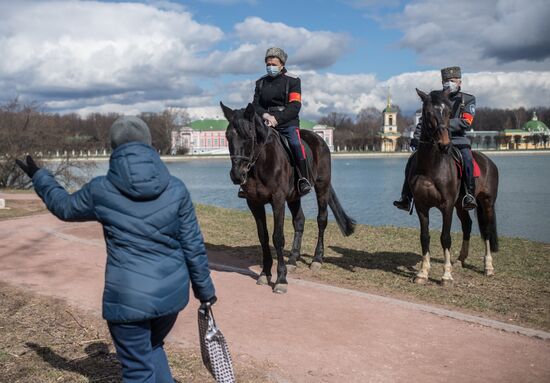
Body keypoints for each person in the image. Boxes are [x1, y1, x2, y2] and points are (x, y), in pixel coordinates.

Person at [16, 116, 217, 383]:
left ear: (114, 147)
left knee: (137, 370)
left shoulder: (102, 189)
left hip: (128, 299)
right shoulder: (176, 189)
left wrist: (40, 177)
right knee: (153, 347)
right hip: (170, 296)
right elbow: (193, 245)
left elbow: (63, 207)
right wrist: (205, 292)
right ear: (149, 144)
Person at [393, 66, 478, 211]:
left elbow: (466, 122)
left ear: (459, 82)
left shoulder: (468, 99)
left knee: (467, 159)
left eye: (452, 80)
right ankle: (406, 197)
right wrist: (417, 138)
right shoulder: (434, 98)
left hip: (457, 139)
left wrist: (441, 125)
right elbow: (425, 120)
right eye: (446, 80)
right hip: (435, 140)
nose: (448, 83)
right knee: (412, 160)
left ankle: (469, 195)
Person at [249, 46, 311, 196]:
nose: (270, 67)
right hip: (265, 122)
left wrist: (277, 119)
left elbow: (295, 106)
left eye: (273, 64)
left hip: (287, 122)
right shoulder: (260, 82)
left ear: (282, 64)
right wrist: (266, 116)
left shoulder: (293, 80)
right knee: (249, 143)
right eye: (268, 64)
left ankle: (303, 178)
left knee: (296, 143)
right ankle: (247, 180)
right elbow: (256, 105)